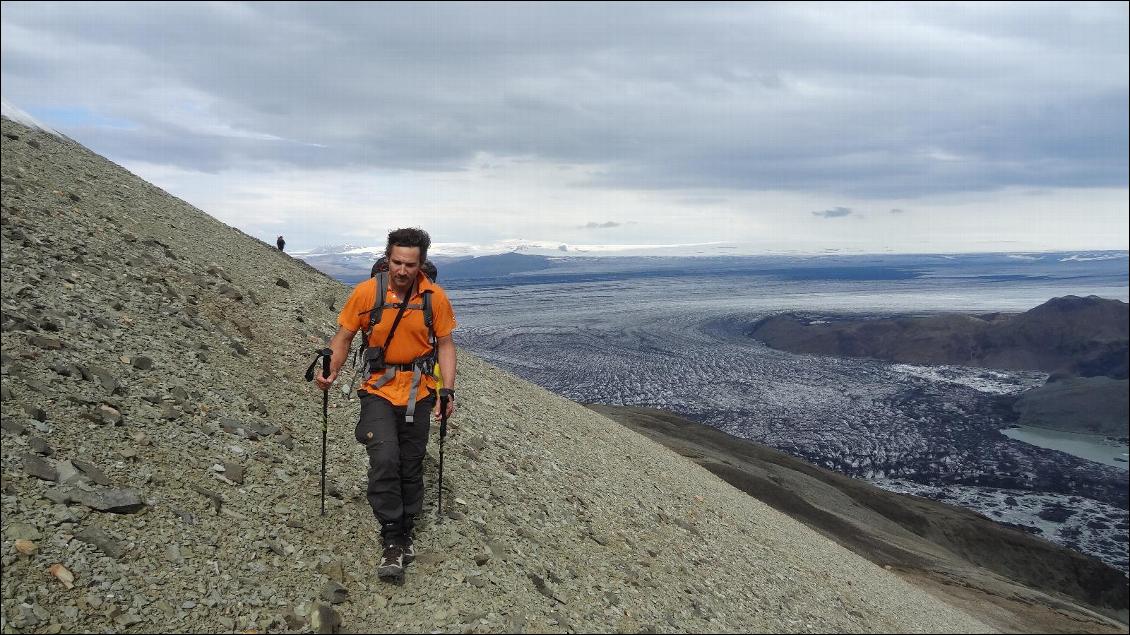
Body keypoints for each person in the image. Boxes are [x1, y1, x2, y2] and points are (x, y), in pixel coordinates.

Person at [315, 227, 457, 582]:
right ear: (388, 259)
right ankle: (393, 536)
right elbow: (344, 337)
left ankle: (406, 526)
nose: (403, 270)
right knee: (385, 457)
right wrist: (330, 370)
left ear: (421, 263)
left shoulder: (434, 298)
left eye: (410, 263)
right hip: (378, 388)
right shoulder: (366, 293)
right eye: (397, 262)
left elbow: (445, 345)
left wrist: (447, 390)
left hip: (419, 391)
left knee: (410, 463)